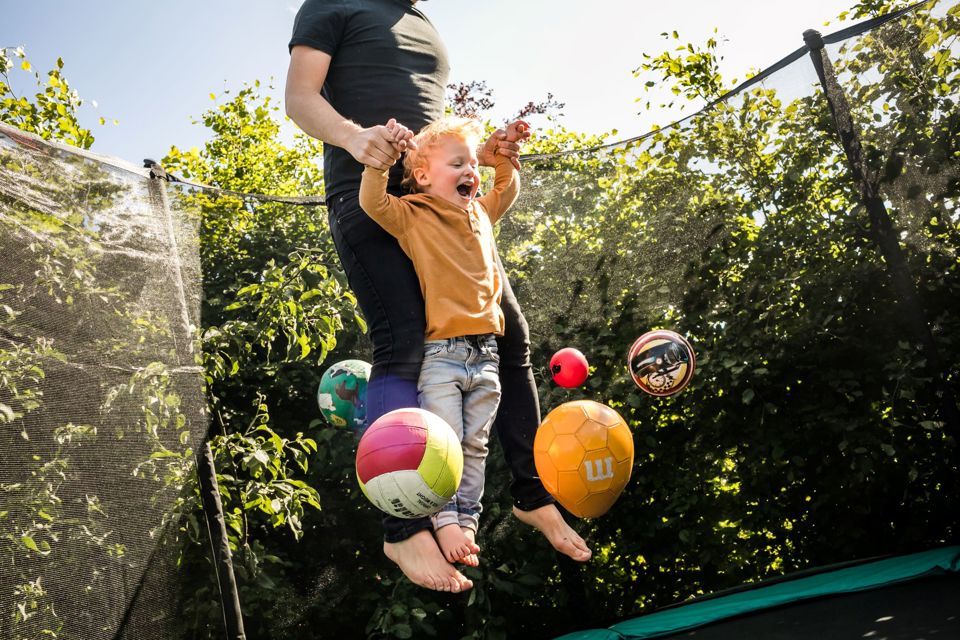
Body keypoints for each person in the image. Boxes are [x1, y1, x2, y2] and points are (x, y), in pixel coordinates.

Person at [285, 0, 592, 594]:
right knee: (401, 346)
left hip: (445, 215)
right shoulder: (333, 3)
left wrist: (483, 158)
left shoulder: (424, 23)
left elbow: (435, 142)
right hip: (371, 196)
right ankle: (402, 530)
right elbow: (301, 98)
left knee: (510, 340)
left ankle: (531, 495)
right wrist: (356, 139)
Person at [359, 116, 521, 567]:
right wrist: (383, 160)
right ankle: (444, 519)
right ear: (425, 176)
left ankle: (465, 521)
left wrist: (501, 158)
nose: (471, 170)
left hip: (486, 353)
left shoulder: (480, 212)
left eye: (472, 163)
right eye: (458, 163)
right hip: (443, 354)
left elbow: (506, 189)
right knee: (445, 440)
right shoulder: (414, 214)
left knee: (476, 445)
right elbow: (373, 202)